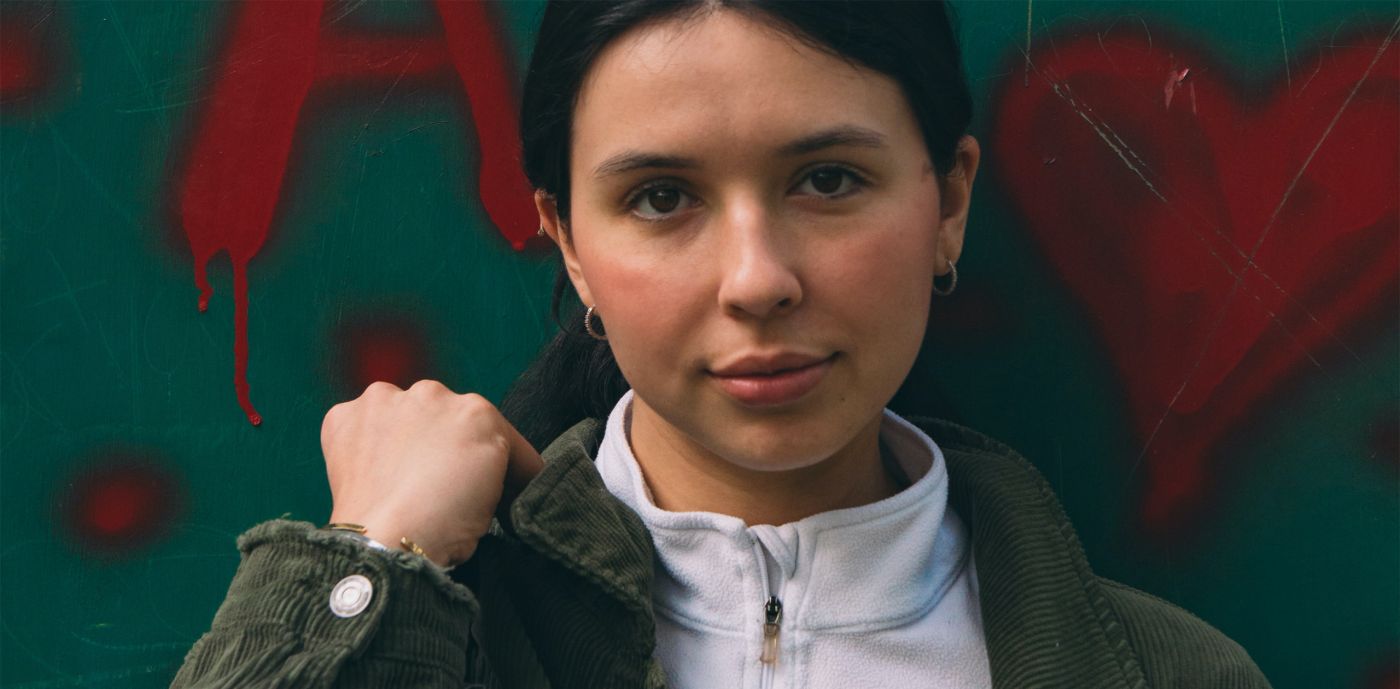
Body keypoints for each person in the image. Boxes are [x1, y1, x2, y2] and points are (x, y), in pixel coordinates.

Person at [172, 2, 1273, 687]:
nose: (756, 279)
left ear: (946, 202)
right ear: (569, 244)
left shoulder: (1174, 672)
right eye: (661, 197)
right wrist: (369, 563)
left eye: (827, 180)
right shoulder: (444, 638)